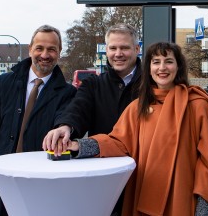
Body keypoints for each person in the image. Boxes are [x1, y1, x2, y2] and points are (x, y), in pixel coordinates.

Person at [63, 42, 208, 216]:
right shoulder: (137, 107)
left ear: (178, 67)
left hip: (183, 198)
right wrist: (79, 146)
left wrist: (205, 207)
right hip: (144, 194)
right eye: (156, 62)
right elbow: (118, 143)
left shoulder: (197, 105)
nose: (162, 68)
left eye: (169, 61)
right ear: (149, 68)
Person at [0, 25, 76, 216]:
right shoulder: (5, 83)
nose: (45, 54)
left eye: (52, 49)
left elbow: (64, 123)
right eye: (39, 48)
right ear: (30, 49)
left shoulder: (68, 93)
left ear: (59, 53)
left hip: (41, 183)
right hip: (1, 180)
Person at [42, 23, 142, 215]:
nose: (118, 53)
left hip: (145, 175)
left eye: (124, 48)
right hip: (105, 179)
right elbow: (78, 110)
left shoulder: (152, 85)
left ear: (137, 49)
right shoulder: (93, 84)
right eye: (113, 48)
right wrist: (66, 127)